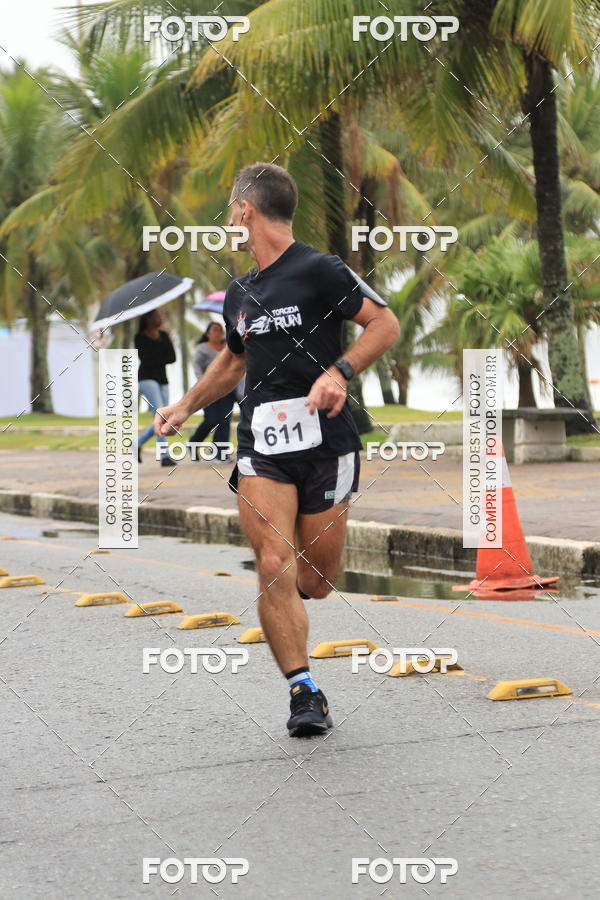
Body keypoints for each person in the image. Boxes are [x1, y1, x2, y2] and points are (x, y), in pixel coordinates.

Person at [155, 163, 399, 736]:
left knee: (315, 581)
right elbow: (234, 361)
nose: (228, 222)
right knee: (272, 561)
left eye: (230, 211)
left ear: (246, 210)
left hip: (327, 442)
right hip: (262, 445)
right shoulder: (240, 292)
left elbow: (384, 324)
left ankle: (298, 610)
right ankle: (303, 691)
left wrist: (339, 372)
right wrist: (186, 404)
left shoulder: (320, 270)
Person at [188, 321, 237, 463]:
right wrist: (202, 383)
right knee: (211, 420)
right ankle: (193, 443)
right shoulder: (202, 349)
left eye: (220, 330)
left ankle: (220, 454)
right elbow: (197, 367)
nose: (218, 332)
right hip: (208, 390)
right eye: (215, 330)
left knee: (225, 420)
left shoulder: (228, 346)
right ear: (207, 333)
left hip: (227, 389)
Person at [135, 309, 176, 467]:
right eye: (158, 316)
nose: (160, 318)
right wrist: (160, 356)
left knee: (163, 418)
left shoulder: (164, 335)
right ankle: (164, 456)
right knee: (161, 415)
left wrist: (156, 356)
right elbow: (145, 358)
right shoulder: (140, 337)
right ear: (149, 319)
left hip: (162, 379)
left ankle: (136, 443)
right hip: (146, 378)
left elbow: (172, 357)